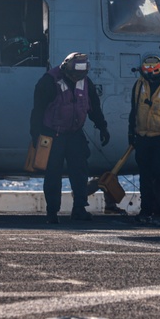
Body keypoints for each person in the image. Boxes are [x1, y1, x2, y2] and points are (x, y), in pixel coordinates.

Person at [30, 52, 111, 224]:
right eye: (74, 74)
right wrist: (35, 136)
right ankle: (52, 212)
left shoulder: (85, 82)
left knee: (80, 172)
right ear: (66, 68)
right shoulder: (48, 82)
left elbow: (94, 107)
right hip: (53, 134)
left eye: (80, 74)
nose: (76, 78)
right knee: (53, 174)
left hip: (75, 134)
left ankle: (79, 209)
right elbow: (37, 111)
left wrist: (102, 127)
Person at [128, 55, 160, 224]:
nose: (151, 73)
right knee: (145, 175)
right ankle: (146, 210)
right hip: (143, 136)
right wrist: (131, 133)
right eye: (147, 69)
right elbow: (134, 110)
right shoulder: (138, 85)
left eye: (155, 69)